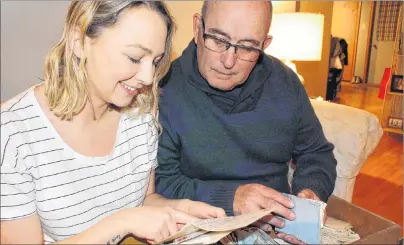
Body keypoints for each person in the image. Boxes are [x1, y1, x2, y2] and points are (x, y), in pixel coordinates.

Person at [0, 1, 227, 244]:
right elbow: (128, 218)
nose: (148, 78)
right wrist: (122, 222)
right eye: (134, 57)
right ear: (79, 40)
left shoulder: (141, 111)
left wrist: (180, 210)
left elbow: (143, 201)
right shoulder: (13, 133)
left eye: (156, 60)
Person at [155, 0, 337, 242]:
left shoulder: (285, 82)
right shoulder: (163, 88)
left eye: (247, 48)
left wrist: (310, 193)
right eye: (218, 40)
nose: (228, 61)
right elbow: (161, 181)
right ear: (197, 28)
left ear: (265, 45)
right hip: (201, 226)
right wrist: (232, 198)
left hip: (279, 227)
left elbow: (316, 153)